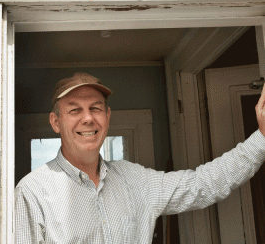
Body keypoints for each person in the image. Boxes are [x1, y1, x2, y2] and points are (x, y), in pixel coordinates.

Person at [15, 72, 265, 243]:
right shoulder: (33, 191)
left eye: (95, 108)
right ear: (55, 122)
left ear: (108, 116)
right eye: (74, 110)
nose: (88, 118)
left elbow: (202, 184)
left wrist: (262, 138)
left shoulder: (135, 180)